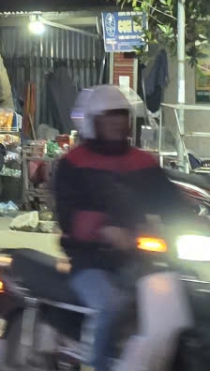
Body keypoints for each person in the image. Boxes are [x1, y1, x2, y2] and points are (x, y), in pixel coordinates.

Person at [53, 85, 190, 371]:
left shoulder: (142, 162)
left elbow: (171, 202)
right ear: (93, 121)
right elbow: (67, 214)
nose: (117, 122)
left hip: (140, 259)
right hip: (90, 261)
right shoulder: (72, 163)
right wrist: (105, 231)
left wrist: (192, 222)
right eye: (109, 116)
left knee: (185, 300)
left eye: (121, 115)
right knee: (111, 305)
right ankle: (99, 365)